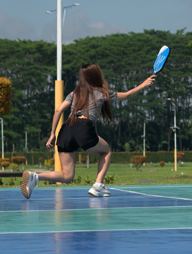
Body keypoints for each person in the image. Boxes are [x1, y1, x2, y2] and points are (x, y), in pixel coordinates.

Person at [21, 65, 155, 199]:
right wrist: (143, 84)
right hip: (83, 127)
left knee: (67, 176)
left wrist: (52, 134)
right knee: (106, 151)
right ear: (96, 76)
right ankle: (98, 185)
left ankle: (35, 177)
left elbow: (58, 111)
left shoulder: (74, 93)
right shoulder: (101, 92)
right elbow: (127, 95)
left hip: (66, 129)